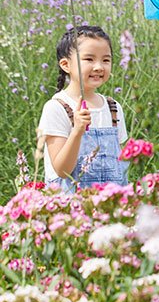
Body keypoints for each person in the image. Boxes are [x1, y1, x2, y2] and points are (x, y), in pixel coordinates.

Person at [38, 25, 129, 192]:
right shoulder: (56, 108)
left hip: (111, 208)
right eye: (89, 59)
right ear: (66, 65)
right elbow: (62, 170)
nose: (99, 67)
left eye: (106, 60)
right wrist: (77, 131)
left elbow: (120, 166)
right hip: (71, 209)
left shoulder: (113, 108)